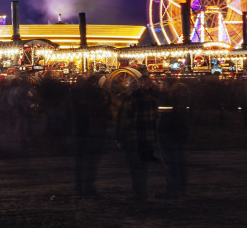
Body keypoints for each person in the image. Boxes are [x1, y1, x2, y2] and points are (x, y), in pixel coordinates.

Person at [116, 72, 159, 201]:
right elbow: (156, 118)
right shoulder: (152, 100)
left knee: (135, 167)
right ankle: (143, 190)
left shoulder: (130, 100)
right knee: (144, 166)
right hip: (148, 138)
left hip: (133, 138)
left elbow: (123, 121)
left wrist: (119, 137)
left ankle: (139, 192)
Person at [70, 75, 109, 197]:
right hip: (94, 131)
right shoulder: (96, 94)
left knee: (79, 160)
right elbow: (103, 110)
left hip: (79, 130)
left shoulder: (74, 94)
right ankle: (89, 185)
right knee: (92, 161)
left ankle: (79, 184)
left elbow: (69, 111)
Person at [157, 84, 191, 198]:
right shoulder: (185, 101)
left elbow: (164, 116)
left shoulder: (168, 100)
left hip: (168, 132)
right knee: (181, 162)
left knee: (171, 162)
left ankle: (172, 190)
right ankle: (182, 189)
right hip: (181, 132)